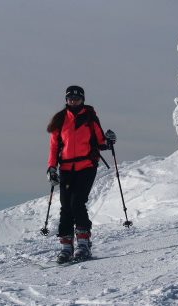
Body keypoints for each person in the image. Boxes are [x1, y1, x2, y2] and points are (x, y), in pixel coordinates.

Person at [46, 85, 111, 263]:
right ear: (66, 100)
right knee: (66, 205)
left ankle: (83, 243)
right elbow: (54, 147)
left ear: (82, 99)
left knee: (77, 203)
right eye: (70, 98)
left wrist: (109, 141)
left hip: (86, 166)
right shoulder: (60, 120)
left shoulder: (89, 117)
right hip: (66, 168)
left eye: (77, 98)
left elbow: (100, 141)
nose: (73, 101)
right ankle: (66, 246)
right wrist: (51, 167)